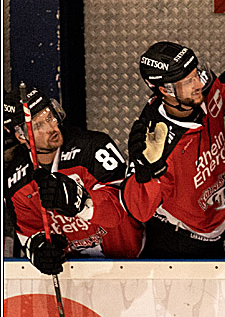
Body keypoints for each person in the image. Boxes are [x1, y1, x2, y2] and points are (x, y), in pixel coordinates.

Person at [123, 41, 225, 258]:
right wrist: (146, 171)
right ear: (165, 90)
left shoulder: (207, 92)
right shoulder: (153, 137)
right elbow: (140, 210)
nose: (197, 84)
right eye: (188, 81)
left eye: (196, 75)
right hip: (184, 237)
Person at [4, 86, 143, 274]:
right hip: (74, 271)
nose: (51, 128)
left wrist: (82, 202)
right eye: (38, 125)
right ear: (21, 135)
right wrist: (40, 250)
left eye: (50, 117)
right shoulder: (16, 179)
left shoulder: (93, 147)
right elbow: (29, 232)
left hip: (131, 263)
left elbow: (124, 207)